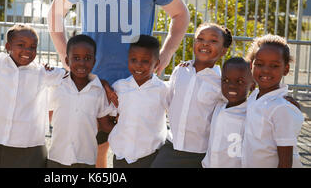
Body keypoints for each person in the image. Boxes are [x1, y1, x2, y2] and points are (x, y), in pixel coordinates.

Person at [48, 0, 189, 167]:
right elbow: (54, 15)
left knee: (138, 153)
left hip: (137, 82)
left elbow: (181, 15)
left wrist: (167, 54)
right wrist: (66, 59)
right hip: (94, 80)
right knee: (96, 151)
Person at [151, 22, 232, 168]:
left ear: (224, 50)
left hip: (200, 154)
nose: (205, 44)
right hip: (171, 146)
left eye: (213, 41)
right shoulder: (180, 70)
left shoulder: (221, 82)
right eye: (200, 39)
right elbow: (167, 101)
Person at [0, 24, 66, 168]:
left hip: (31, 145)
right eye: (21, 45)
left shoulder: (41, 72)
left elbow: (67, 75)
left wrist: (101, 83)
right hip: (2, 142)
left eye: (33, 47)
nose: (27, 50)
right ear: (8, 46)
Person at [47, 34, 114, 168]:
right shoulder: (58, 83)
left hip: (86, 159)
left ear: (94, 61)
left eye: (87, 58)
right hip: (57, 156)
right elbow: (50, 114)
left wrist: (125, 120)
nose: (82, 63)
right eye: (76, 58)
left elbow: (105, 124)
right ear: (67, 60)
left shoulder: (99, 90)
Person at [108, 35, 170, 168]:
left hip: (150, 155)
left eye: (145, 61)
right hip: (121, 155)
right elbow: (112, 115)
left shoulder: (163, 90)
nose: (138, 65)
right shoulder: (119, 87)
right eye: (133, 60)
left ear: (157, 63)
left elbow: (175, 117)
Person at [242, 34, 304, 168]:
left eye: (274, 66)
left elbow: (286, 162)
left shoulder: (281, 108)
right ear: (252, 65)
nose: (265, 70)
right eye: (259, 64)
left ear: (286, 69)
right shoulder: (255, 95)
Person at [201, 57, 254, 168]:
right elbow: (207, 78)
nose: (231, 85)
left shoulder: (252, 112)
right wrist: (188, 65)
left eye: (239, 81)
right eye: (225, 80)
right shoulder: (218, 105)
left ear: (252, 85)